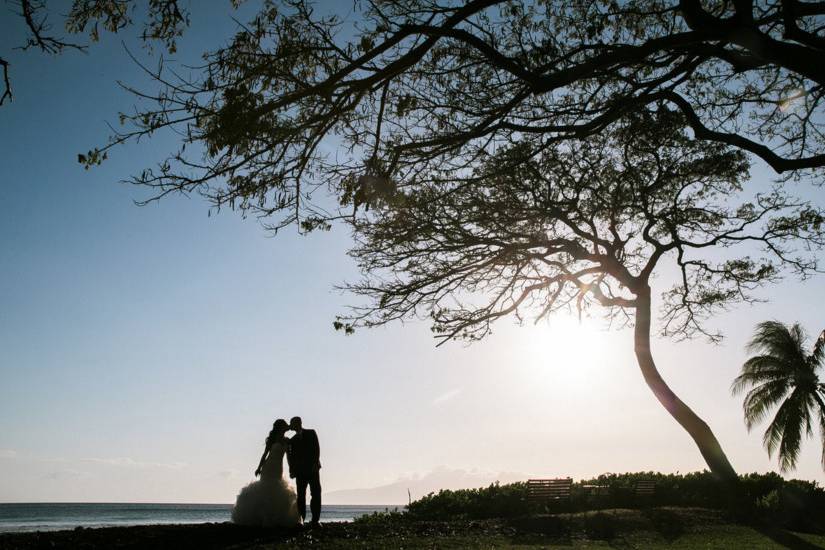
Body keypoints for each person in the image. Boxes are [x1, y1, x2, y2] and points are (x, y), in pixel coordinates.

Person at [231, 419, 301, 527]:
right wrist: (259, 468)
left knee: (276, 488)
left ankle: (275, 517)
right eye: (285, 425)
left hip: (278, 467)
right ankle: (263, 517)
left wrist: (292, 468)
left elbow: (288, 456)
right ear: (280, 427)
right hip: (268, 466)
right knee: (265, 488)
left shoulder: (287, 440)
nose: (287, 426)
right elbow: (265, 454)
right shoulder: (272, 440)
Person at [287, 416, 322, 526]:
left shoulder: (311, 433)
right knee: (301, 496)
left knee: (316, 493)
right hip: (300, 472)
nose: (292, 426)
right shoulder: (292, 440)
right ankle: (301, 519)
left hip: (313, 469)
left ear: (299, 423)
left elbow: (317, 449)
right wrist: (292, 470)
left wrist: (316, 464)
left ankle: (315, 520)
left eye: (293, 423)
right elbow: (291, 457)